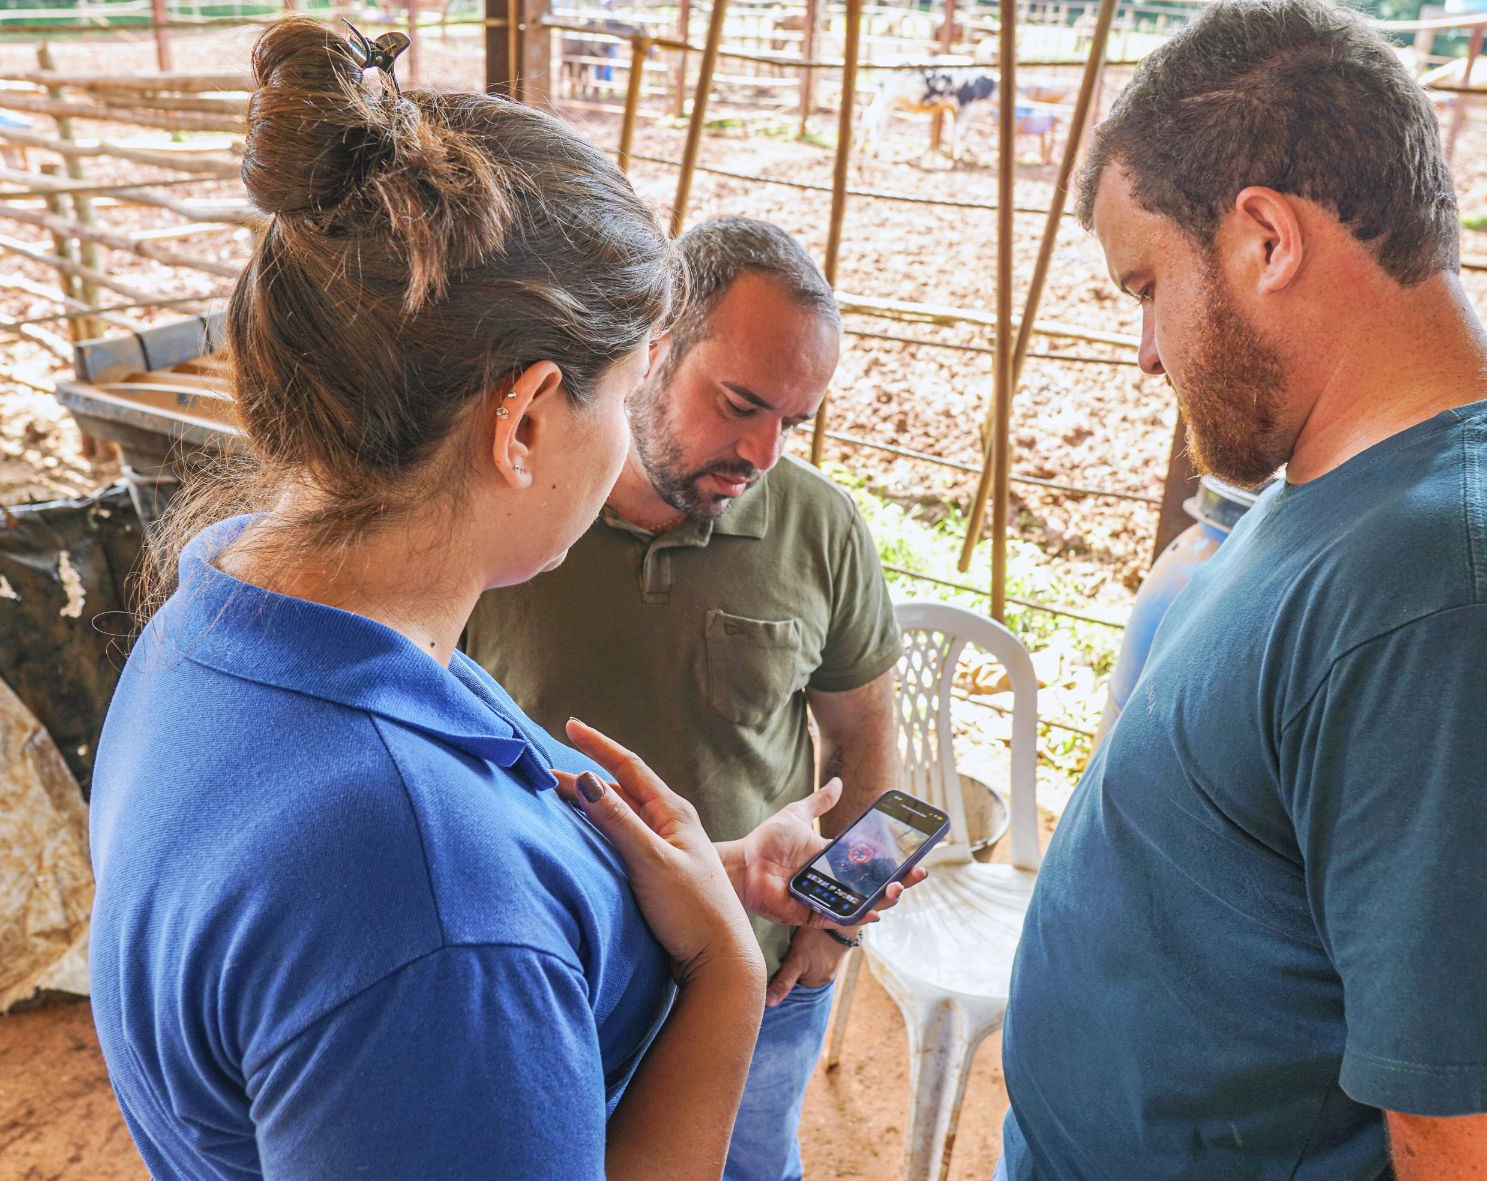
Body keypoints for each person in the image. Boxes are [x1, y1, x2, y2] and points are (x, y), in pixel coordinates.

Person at [85, 21, 916, 1181]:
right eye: (626, 391)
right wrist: (726, 973)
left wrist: (722, 875)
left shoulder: (224, 616)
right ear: (524, 421)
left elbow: (518, 910)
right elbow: (467, 932)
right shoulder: (426, 903)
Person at [999, 1, 1487, 1178]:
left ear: (1262, 240)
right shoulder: (1354, 485)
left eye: (1144, 283)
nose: (1143, 348)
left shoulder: (1464, 603)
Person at [465, 216, 904, 1181]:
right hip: (556, 970)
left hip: (762, 970)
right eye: (740, 402)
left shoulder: (821, 527)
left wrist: (834, 924)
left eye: (793, 421)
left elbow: (865, 730)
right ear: (651, 346)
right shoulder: (515, 514)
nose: (761, 451)